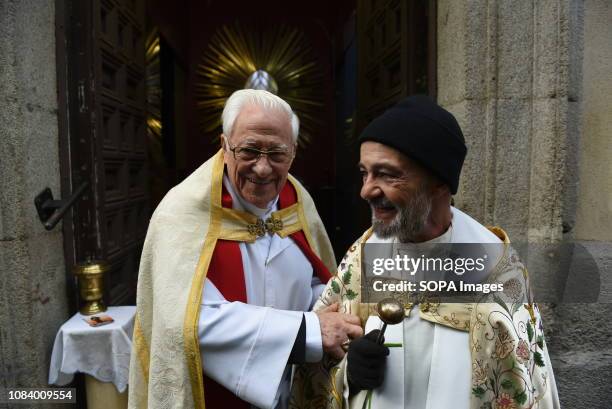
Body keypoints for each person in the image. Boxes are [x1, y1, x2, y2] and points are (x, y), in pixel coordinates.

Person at [290, 96, 560, 409]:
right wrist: (350, 372)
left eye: (387, 174)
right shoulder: (363, 256)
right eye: (364, 173)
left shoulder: (495, 270)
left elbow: (522, 389)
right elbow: (318, 367)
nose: (366, 190)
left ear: (439, 183)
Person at [128, 89, 363, 409]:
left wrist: (338, 311)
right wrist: (309, 331)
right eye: (249, 150)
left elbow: (315, 279)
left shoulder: (297, 203)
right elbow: (189, 322)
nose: (263, 168)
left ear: (293, 153)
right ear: (225, 147)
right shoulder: (181, 213)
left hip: (292, 392)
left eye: (277, 154)